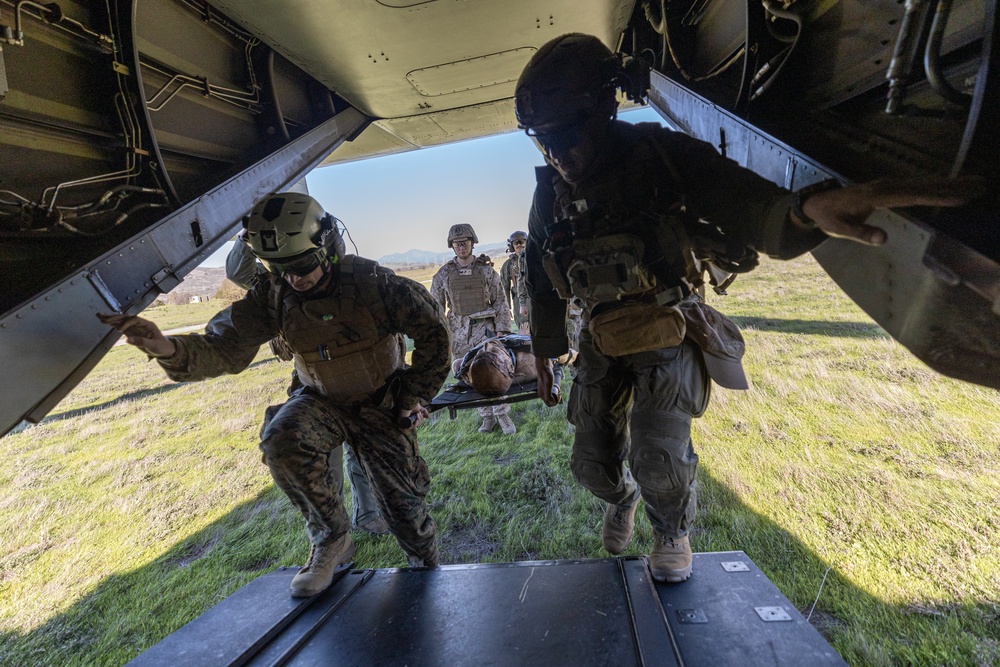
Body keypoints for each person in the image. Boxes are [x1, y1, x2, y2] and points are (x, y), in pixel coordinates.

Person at [515, 33, 982, 584]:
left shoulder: (662, 156)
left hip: (668, 327)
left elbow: (745, 202)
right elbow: (541, 277)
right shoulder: (552, 192)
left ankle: (671, 533)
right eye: (543, 142)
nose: (557, 155)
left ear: (603, 107)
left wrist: (806, 211)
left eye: (567, 137)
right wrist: (545, 352)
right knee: (591, 465)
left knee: (658, 457)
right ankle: (622, 501)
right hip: (600, 336)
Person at [100, 192, 451, 598]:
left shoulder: (374, 285)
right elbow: (226, 346)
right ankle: (332, 540)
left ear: (327, 246)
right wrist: (166, 348)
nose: (293, 279)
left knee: (403, 511)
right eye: (279, 268)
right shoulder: (274, 294)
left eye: (301, 266)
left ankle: (427, 570)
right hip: (321, 401)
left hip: (381, 404)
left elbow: (433, 333)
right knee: (282, 437)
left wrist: (412, 396)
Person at [226, 232, 388, 536]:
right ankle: (334, 532)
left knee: (363, 450)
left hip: (357, 374)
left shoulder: (344, 275)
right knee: (325, 458)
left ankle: (368, 516)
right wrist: (248, 238)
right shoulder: (278, 280)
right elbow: (238, 273)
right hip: (313, 377)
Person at [430, 223, 516, 434]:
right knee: (471, 377)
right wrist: (439, 334)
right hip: (460, 333)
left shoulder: (486, 271)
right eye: (457, 244)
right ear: (452, 246)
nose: (461, 247)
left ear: (472, 244)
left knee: (494, 371)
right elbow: (436, 307)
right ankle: (486, 417)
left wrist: (502, 329)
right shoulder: (444, 275)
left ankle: (502, 415)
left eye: (465, 243)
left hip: (485, 330)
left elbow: (500, 301)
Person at [452, 333, 577, 397]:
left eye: (481, 352)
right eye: (494, 351)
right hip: (528, 347)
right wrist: (524, 337)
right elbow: (549, 358)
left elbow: (456, 365)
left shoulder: (467, 373)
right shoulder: (529, 363)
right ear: (511, 367)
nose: (488, 345)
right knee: (567, 354)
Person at [500, 231, 530, 335]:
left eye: (521, 242)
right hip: (519, 300)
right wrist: (507, 308)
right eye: (516, 243)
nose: (519, 245)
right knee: (524, 329)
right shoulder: (508, 265)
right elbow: (505, 288)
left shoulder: (534, 259)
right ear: (512, 245)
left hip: (536, 297)